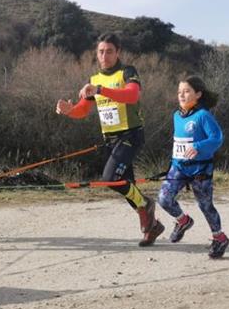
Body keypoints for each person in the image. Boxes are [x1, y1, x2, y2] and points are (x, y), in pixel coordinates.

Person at [55, 33, 164, 246]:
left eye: (109, 51)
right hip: (111, 139)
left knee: (111, 177)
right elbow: (82, 111)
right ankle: (153, 227)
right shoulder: (93, 80)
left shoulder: (127, 72)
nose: (104, 56)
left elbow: (132, 96)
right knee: (126, 185)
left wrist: (100, 90)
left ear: (118, 52)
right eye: (101, 52)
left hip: (130, 134)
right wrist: (68, 110)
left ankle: (146, 205)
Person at [157, 75, 229, 259]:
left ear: (198, 94)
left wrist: (198, 147)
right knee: (164, 199)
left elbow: (217, 138)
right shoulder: (176, 115)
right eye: (179, 91)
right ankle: (183, 221)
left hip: (200, 170)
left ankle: (219, 238)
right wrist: (175, 161)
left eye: (187, 91)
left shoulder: (203, 115)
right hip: (178, 167)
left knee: (205, 205)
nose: (181, 95)